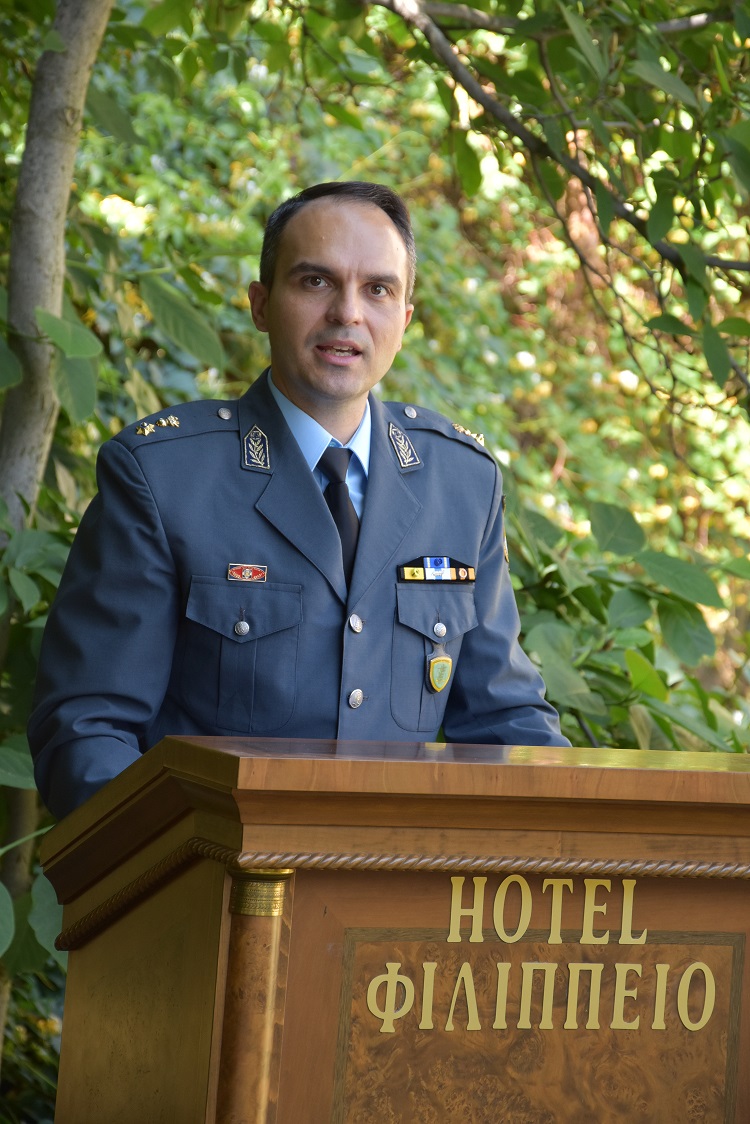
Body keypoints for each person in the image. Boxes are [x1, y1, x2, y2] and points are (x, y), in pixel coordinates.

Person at [28, 181, 569, 819]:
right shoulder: (164, 478)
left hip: (397, 873)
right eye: (316, 281)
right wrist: (180, 861)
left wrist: (574, 837)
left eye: (378, 289)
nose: (348, 313)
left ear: (405, 319)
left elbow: (507, 723)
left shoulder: (461, 483)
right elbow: (88, 733)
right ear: (261, 305)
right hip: (215, 870)